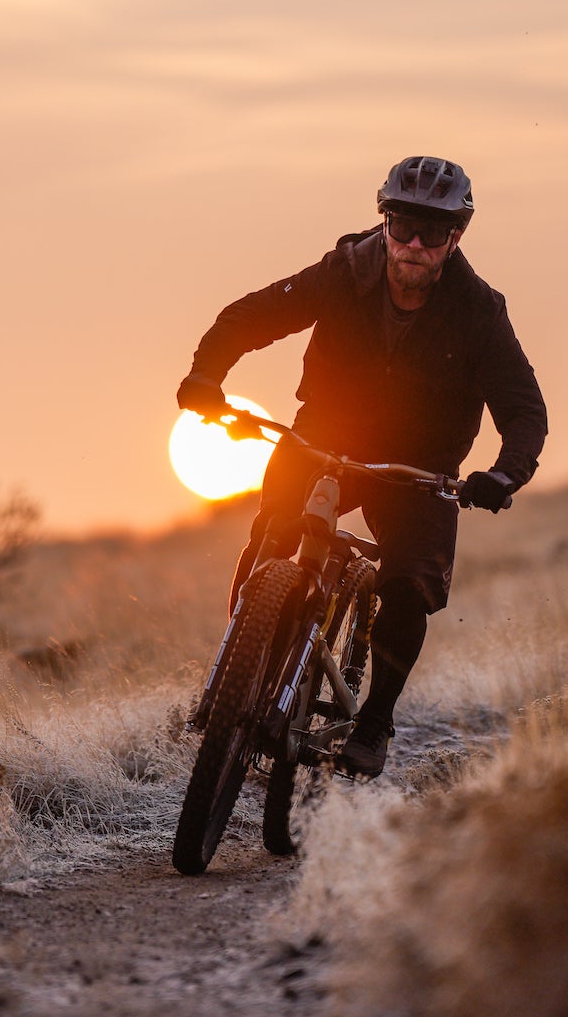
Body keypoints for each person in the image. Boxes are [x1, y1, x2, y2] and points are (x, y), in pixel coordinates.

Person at [176, 156, 547, 776]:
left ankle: (373, 722)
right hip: (328, 431)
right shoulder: (344, 272)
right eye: (403, 226)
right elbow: (250, 316)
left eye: (433, 234)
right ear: (385, 220)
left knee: (408, 585)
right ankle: (237, 676)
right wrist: (205, 376)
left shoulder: (479, 310)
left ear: (456, 238)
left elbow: (524, 409)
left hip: (419, 464)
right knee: (272, 531)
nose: (413, 245)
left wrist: (503, 474)